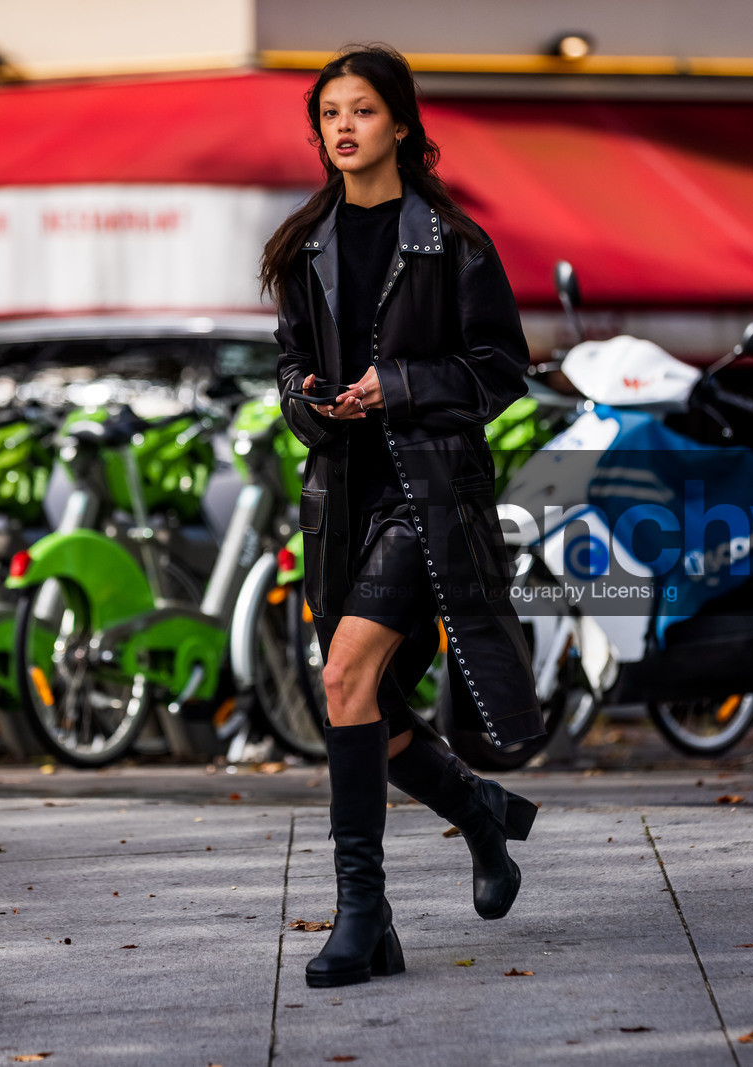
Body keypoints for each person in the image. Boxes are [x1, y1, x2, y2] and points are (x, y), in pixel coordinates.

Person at [259, 45, 544, 990]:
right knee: (361, 708)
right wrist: (309, 398)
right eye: (330, 114)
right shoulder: (305, 246)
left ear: (403, 126)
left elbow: (502, 371)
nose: (345, 128)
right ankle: (479, 816)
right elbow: (289, 367)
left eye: (364, 111)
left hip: (430, 500)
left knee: (345, 674)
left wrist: (403, 387)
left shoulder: (456, 244)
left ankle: (362, 916)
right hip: (340, 500)